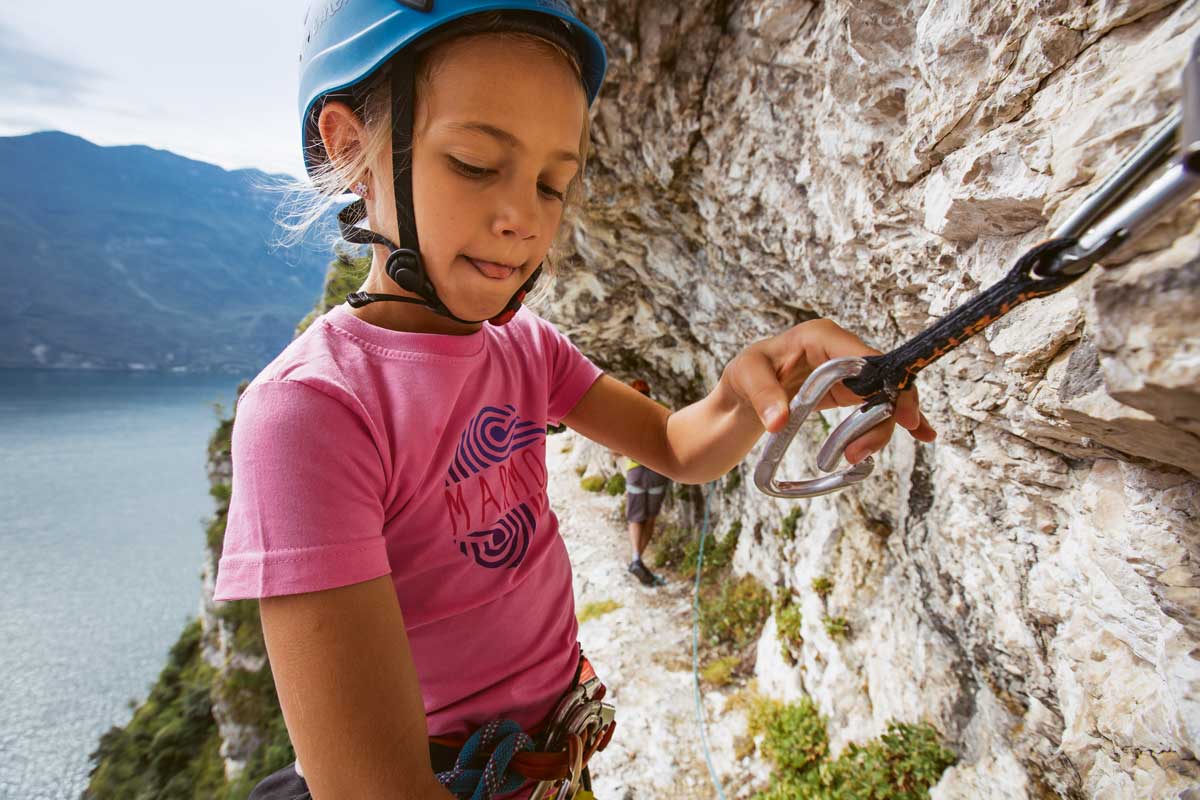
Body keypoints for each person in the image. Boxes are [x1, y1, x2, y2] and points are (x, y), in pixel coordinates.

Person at [213, 2, 937, 798]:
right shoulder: (312, 411)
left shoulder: (524, 348)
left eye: (553, 183)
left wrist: (752, 385)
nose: (523, 218)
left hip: (550, 768)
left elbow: (674, 445)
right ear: (352, 150)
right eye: (476, 163)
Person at [623, 379, 669, 587]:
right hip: (657, 471)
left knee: (635, 518)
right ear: (649, 393)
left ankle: (636, 559)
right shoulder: (660, 413)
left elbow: (615, 447)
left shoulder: (626, 418)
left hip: (635, 472)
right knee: (650, 518)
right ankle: (637, 561)